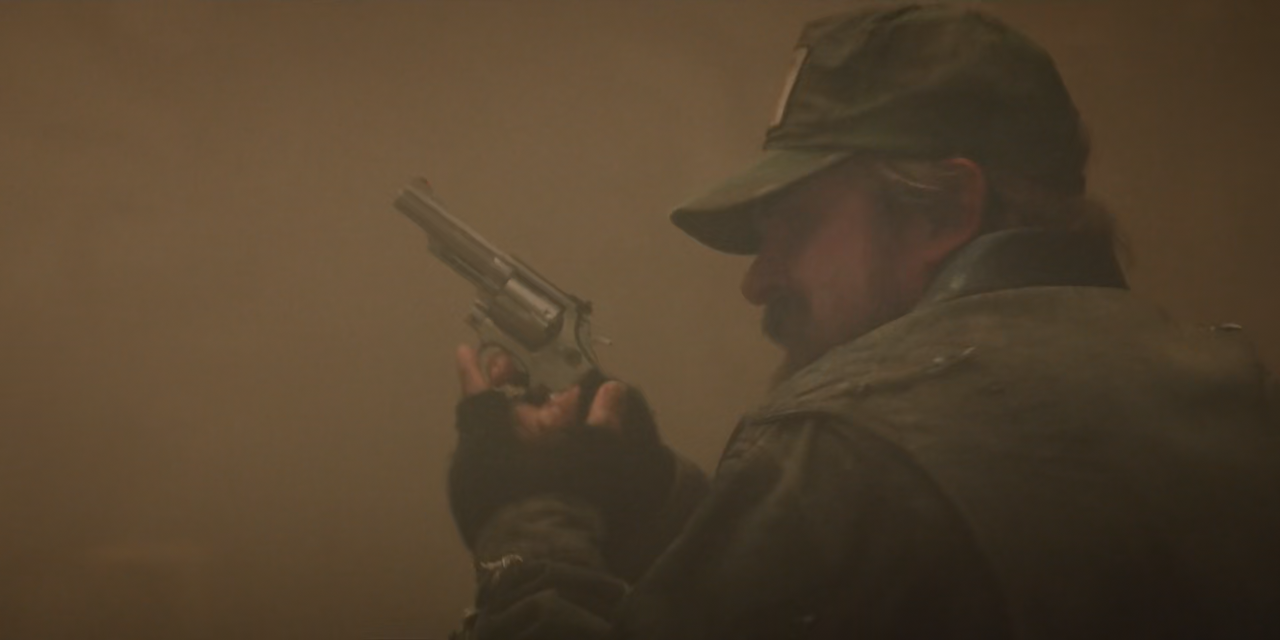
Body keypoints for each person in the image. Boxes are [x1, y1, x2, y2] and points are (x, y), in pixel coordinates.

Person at [443, 4, 1280, 639]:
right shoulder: (1236, 390)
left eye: (793, 225)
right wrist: (654, 499)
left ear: (943, 211)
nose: (758, 281)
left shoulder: (844, 443)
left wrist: (528, 523)